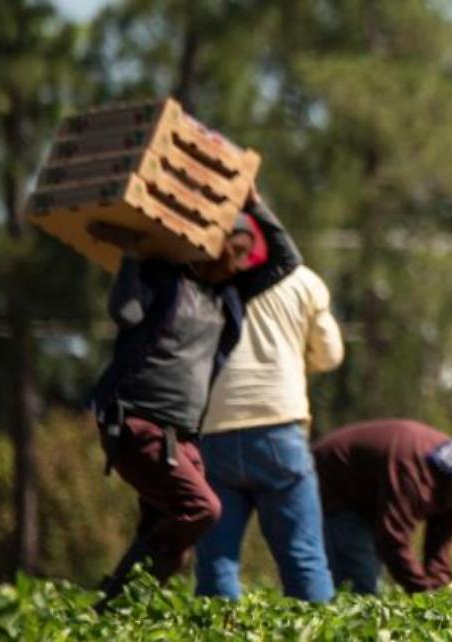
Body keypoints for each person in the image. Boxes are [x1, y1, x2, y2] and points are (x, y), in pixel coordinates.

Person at [89, 187, 299, 611]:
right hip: (136, 423)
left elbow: (286, 260)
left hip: (182, 437)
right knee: (201, 508)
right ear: (210, 246)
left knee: (168, 540)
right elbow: (125, 315)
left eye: (245, 254)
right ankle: (114, 604)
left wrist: (255, 203)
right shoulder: (165, 279)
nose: (241, 263)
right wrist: (131, 256)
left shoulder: (229, 297)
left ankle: (117, 615)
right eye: (234, 251)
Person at [193, 197, 344, 602]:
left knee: (217, 564)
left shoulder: (203, 285)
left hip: (214, 434)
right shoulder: (302, 280)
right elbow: (330, 355)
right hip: (278, 427)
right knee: (304, 558)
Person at [311, 419, 452, 594]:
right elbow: (392, 538)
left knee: (368, 577)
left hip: (369, 500)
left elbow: (440, 542)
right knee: (360, 583)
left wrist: (441, 591)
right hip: (331, 484)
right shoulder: (415, 471)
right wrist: (422, 591)